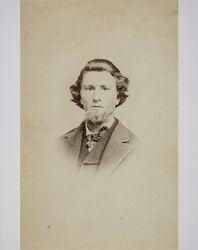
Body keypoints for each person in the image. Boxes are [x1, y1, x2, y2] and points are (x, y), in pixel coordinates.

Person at [59, 59, 137, 176]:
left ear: (118, 97)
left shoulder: (137, 148)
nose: (96, 97)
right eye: (89, 89)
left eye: (105, 88)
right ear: (79, 96)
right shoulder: (58, 145)